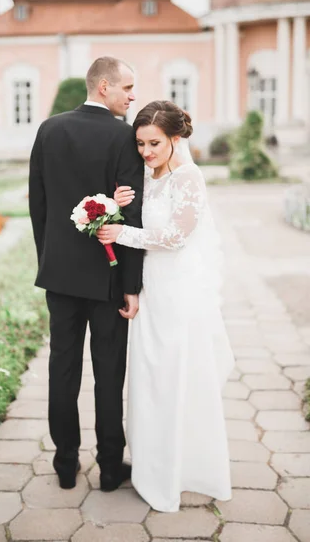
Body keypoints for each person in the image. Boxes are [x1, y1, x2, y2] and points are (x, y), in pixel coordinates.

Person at [97, 100, 235, 512]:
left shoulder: (189, 179)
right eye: (140, 144)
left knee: (176, 378)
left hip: (179, 292)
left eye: (154, 143)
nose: (146, 152)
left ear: (176, 139)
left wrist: (121, 232)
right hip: (151, 290)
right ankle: (152, 469)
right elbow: (141, 214)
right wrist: (120, 202)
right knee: (150, 379)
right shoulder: (147, 175)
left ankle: (182, 471)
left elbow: (176, 237)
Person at [28, 57, 144, 492]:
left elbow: (37, 202)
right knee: (109, 372)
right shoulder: (123, 136)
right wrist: (131, 285)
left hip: (59, 276)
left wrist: (49, 258)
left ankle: (64, 463)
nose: (132, 97)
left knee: (63, 369)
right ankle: (111, 468)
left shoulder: (49, 130)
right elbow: (131, 213)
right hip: (108, 277)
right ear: (103, 87)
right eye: (127, 88)